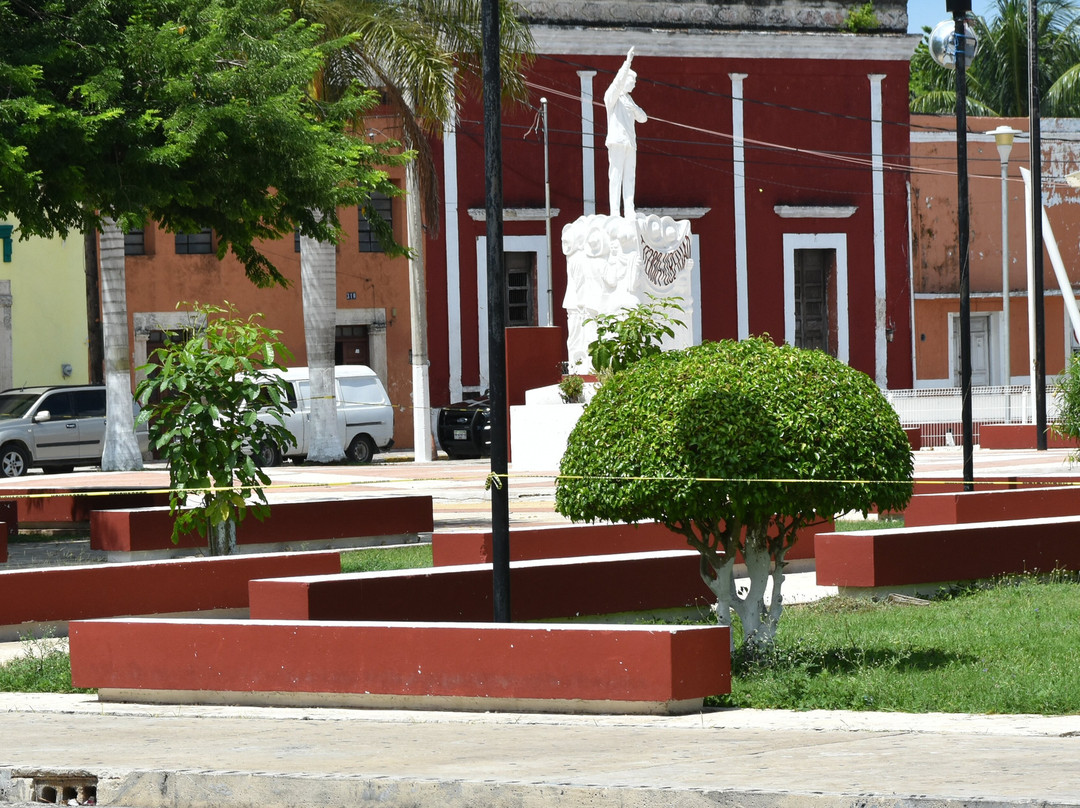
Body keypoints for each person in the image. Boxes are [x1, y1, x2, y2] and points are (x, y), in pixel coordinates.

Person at [604, 47, 647, 219]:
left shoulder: (629, 100)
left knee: (630, 176)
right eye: (633, 81)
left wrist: (634, 108)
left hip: (630, 143)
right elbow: (617, 82)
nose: (635, 84)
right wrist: (627, 62)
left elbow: (644, 118)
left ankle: (629, 208)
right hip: (617, 141)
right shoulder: (612, 97)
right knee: (616, 176)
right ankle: (615, 211)